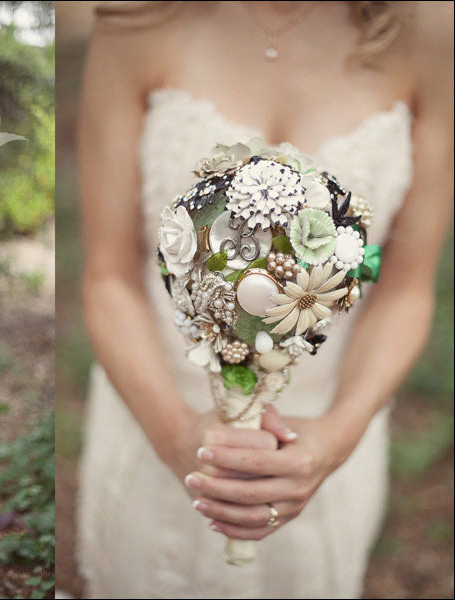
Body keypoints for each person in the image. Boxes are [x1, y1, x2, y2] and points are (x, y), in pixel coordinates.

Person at [76, 1, 452, 598]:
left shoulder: (430, 33)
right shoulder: (137, 22)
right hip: (156, 409)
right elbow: (109, 276)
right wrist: (177, 436)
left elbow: (405, 290)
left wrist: (334, 439)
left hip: (328, 426)